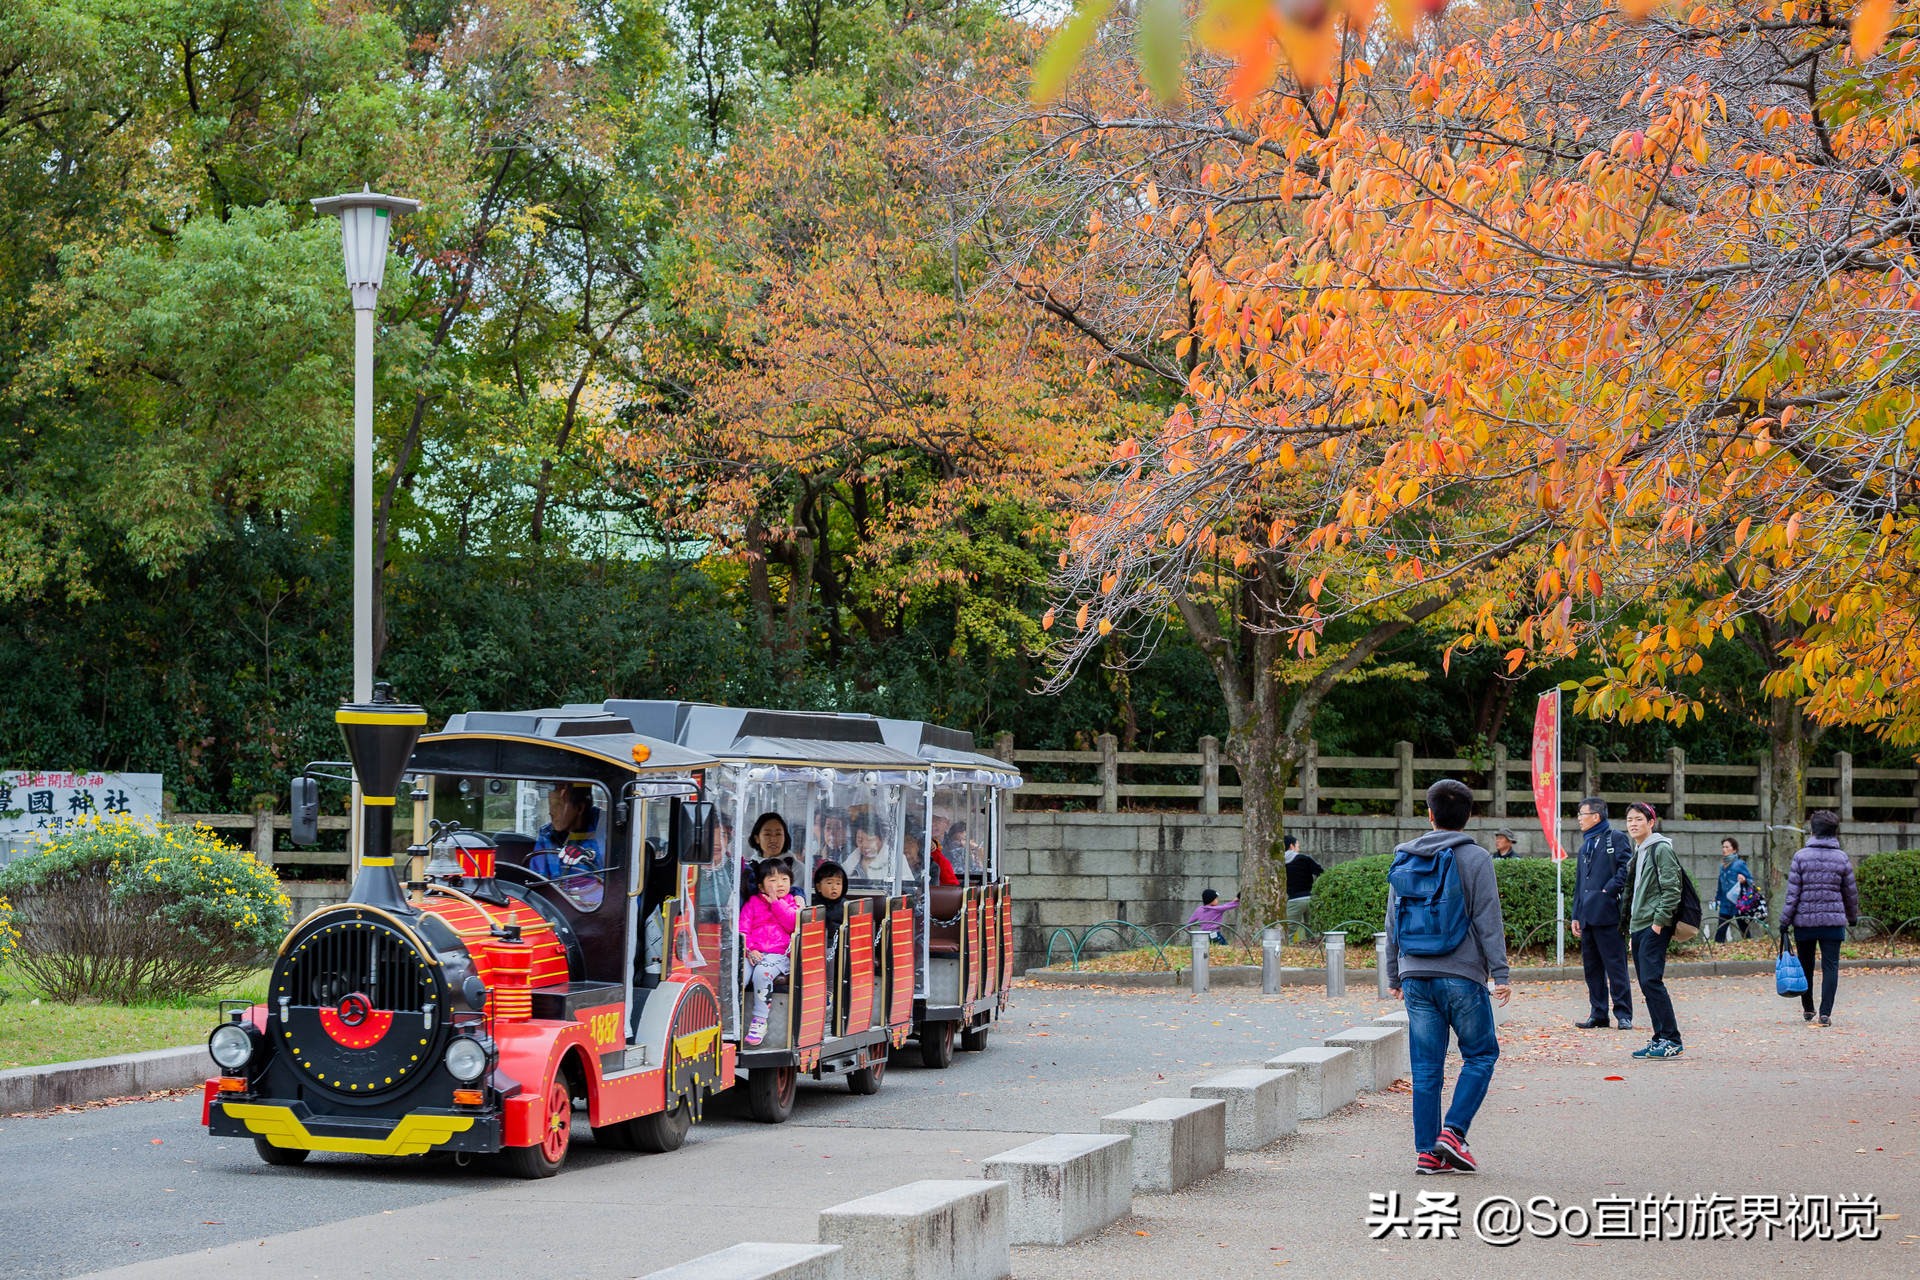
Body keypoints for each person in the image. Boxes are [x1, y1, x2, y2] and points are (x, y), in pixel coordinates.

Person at [1385, 778, 1510, 1176]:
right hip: (1461, 973)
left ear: (1430, 814)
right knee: (1482, 1053)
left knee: (1425, 1069)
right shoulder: (1475, 858)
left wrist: (1393, 974)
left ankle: (1427, 1152)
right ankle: (1453, 1133)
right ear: (1468, 816)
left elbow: (1392, 922)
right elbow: (1487, 918)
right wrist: (1501, 972)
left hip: (1415, 973)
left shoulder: (1404, 856)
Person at [1779, 809, 1860, 1027]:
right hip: (1833, 923)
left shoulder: (1801, 857)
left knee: (1805, 965)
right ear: (1834, 832)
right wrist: (1852, 918)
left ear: (1813, 830)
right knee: (1830, 966)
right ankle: (1825, 1013)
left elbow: (1793, 894)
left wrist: (1784, 921)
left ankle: (1808, 1008)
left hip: (1804, 923)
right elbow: (1850, 893)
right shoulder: (1841, 858)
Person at [1624, 801, 1684, 1059]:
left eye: (1639, 819)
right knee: (1647, 985)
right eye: (1629, 820)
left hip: (1653, 926)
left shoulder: (1660, 848)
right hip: (1639, 926)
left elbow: (1672, 889)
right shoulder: (1640, 851)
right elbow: (1635, 894)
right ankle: (1659, 1036)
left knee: (1652, 981)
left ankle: (1672, 1039)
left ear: (1651, 822)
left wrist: (1658, 922)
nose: (1633, 824)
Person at [1570, 797, 1634, 1031]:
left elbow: (1625, 869)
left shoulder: (1615, 838)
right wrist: (1575, 914)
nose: (1579, 818)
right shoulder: (1585, 844)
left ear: (1596, 816)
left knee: (1615, 966)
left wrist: (1608, 890)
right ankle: (1598, 1013)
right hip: (1587, 915)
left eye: (1582, 814)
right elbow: (1579, 883)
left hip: (1608, 913)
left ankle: (1623, 1013)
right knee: (1592, 969)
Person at [739, 857, 801, 1046]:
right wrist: (749, 950)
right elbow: (743, 930)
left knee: (762, 973)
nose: (779, 884)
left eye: (784, 879)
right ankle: (735, 1015)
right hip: (753, 953)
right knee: (740, 974)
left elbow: (793, 924)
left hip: (779, 955)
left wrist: (776, 903)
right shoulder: (752, 904)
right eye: (772, 880)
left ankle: (760, 1020)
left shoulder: (792, 903)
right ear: (761, 886)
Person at [531, 783, 605, 909]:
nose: (551, 812)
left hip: (594, 911)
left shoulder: (606, 830)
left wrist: (588, 853)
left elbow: (617, 884)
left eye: (557, 805)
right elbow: (536, 883)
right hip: (558, 909)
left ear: (580, 808)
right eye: (550, 805)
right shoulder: (546, 835)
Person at [1714, 837, 1759, 941]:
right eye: (1723, 847)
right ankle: (1716, 952)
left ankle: (1749, 949)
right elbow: (1720, 884)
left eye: (1727, 847)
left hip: (1738, 903)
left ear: (1734, 850)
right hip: (1725, 903)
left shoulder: (1739, 864)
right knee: (1720, 930)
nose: (1724, 849)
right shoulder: (1722, 866)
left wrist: (1744, 880)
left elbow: (1750, 880)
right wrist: (1717, 898)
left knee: (1744, 929)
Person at [1283, 835, 1324, 937]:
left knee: (1287, 933)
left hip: (1294, 901)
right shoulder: (1305, 859)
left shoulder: (1278, 863)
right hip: (1310, 898)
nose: (1298, 848)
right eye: (1298, 846)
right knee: (1313, 932)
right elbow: (1321, 873)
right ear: (1291, 846)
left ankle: (1286, 952)